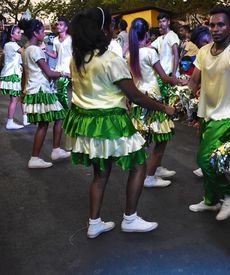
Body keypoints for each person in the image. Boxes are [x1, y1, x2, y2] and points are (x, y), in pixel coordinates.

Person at [64, 8, 175, 238]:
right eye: (112, 24)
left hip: (86, 123)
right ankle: (130, 218)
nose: (115, 28)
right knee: (139, 164)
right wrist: (164, 107)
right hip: (112, 121)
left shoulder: (76, 59)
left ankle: (94, 223)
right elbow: (136, 96)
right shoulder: (109, 59)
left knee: (100, 173)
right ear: (103, 29)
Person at [188, 7, 230, 221]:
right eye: (212, 25)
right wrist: (185, 100)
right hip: (206, 114)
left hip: (228, 115)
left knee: (205, 159)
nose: (216, 29)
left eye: (221, 25)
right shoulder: (203, 51)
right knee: (212, 160)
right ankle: (211, 201)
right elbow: (193, 81)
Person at [128, 18, 182, 188]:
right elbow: (164, 78)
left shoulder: (130, 53)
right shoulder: (150, 52)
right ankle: (150, 176)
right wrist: (180, 82)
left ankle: (153, 169)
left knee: (143, 140)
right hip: (154, 99)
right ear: (147, 35)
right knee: (162, 138)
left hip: (139, 99)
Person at [20, 19, 71, 169]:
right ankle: (37, 157)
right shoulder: (35, 50)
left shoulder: (26, 49)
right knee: (48, 122)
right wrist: (64, 73)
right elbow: (48, 72)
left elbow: (26, 73)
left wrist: (24, 91)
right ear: (36, 33)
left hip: (34, 88)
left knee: (53, 118)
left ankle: (54, 151)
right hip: (41, 90)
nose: (44, 33)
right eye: (42, 31)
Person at [0, 25, 28, 129]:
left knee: (18, 98)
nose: (20, 34)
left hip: (13, 73)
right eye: (18, 33)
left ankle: (25, 118)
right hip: (13, 74)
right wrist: (37, 48)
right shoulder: (12, 45)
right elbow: (25, 52)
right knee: (14, 100)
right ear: (12, 35)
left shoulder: (9, 45)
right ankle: (10, 122)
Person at [45, 17, 72, 110]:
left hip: (68, 69)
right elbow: (55, 55)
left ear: (66, 27)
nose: (58, 26)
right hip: (58, 69)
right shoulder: (55, 39)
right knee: (59, 92)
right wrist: (46, 51)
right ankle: (62, 112)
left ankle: (64, 112)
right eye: (57, 24)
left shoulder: (71, 39)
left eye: (61, 24)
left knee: (62, 92)